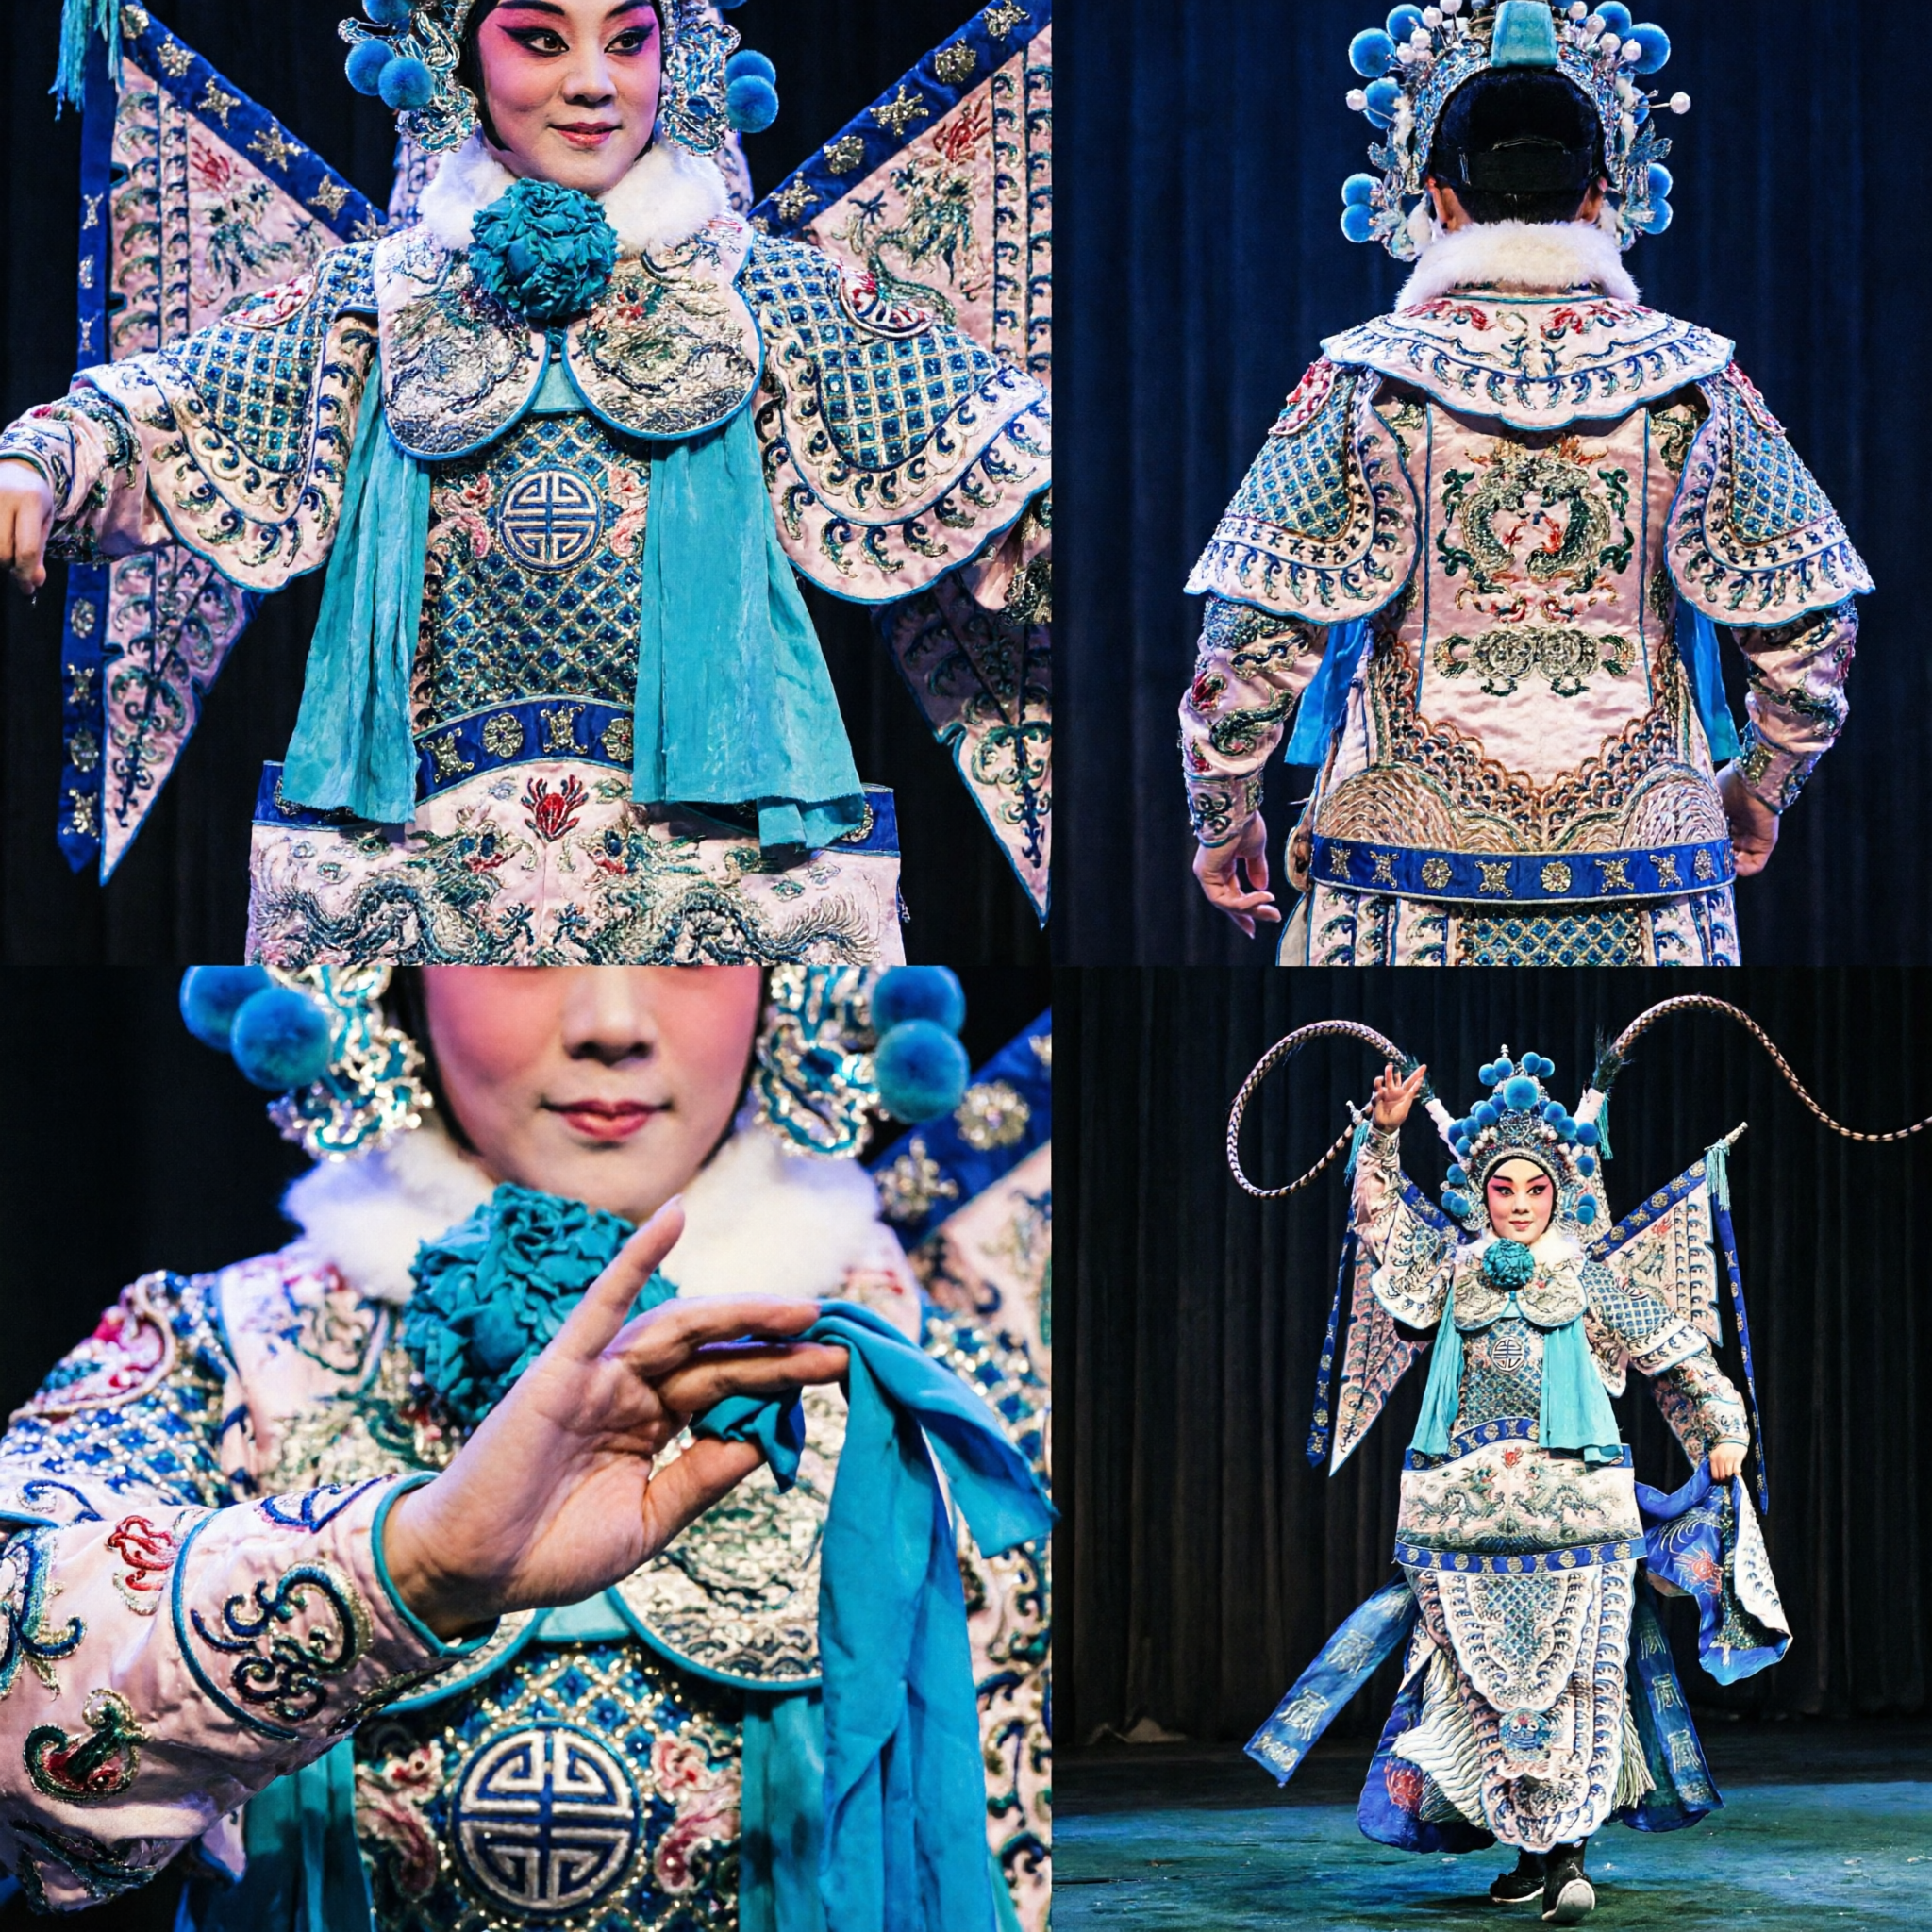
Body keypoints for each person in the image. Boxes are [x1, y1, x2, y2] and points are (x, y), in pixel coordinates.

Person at [0, 964, 1049, 1930]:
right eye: (518, 948)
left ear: (784, 973)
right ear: (397, 971)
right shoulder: (214, 1357)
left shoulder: (949, 1381)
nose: (611, 1024)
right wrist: (399, 1567)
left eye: (688, 946)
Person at [0, 0, 1050, 965]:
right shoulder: (384, 290)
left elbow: (1004, 449)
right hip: (416, 849)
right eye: (541, 39)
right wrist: (39, 461)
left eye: (627, 39)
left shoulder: (760, 288)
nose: (593, 83)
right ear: (460, 63)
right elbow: (162, 402)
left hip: (717, 854)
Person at [1181, 0, 1868, 965]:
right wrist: (1758, 782)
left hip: (1397, 882)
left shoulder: (1362, 382)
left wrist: (1223, 816)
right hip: (1649, 879)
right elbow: (1814, 628)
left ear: (1437, 199)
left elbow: (1245, 643)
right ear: (1597, 196)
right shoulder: (1696, 382)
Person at [1242, 1044, 1787, 1924]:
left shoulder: (1589, 1275)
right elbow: (1381, 1231)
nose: (1522, 1205)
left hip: (1578, 1513)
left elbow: (1678, 1351)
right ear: (1483, 1192)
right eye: (1505, 1189)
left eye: (1536, 1189)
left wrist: (1724, 1429)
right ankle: (1533, 1855)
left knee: (1581, 1682)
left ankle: (1570, 1851)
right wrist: (1381, 1144)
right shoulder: (1451, 1272)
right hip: (1462, 1520)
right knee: (1483, 1690)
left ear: (1557, 1192)